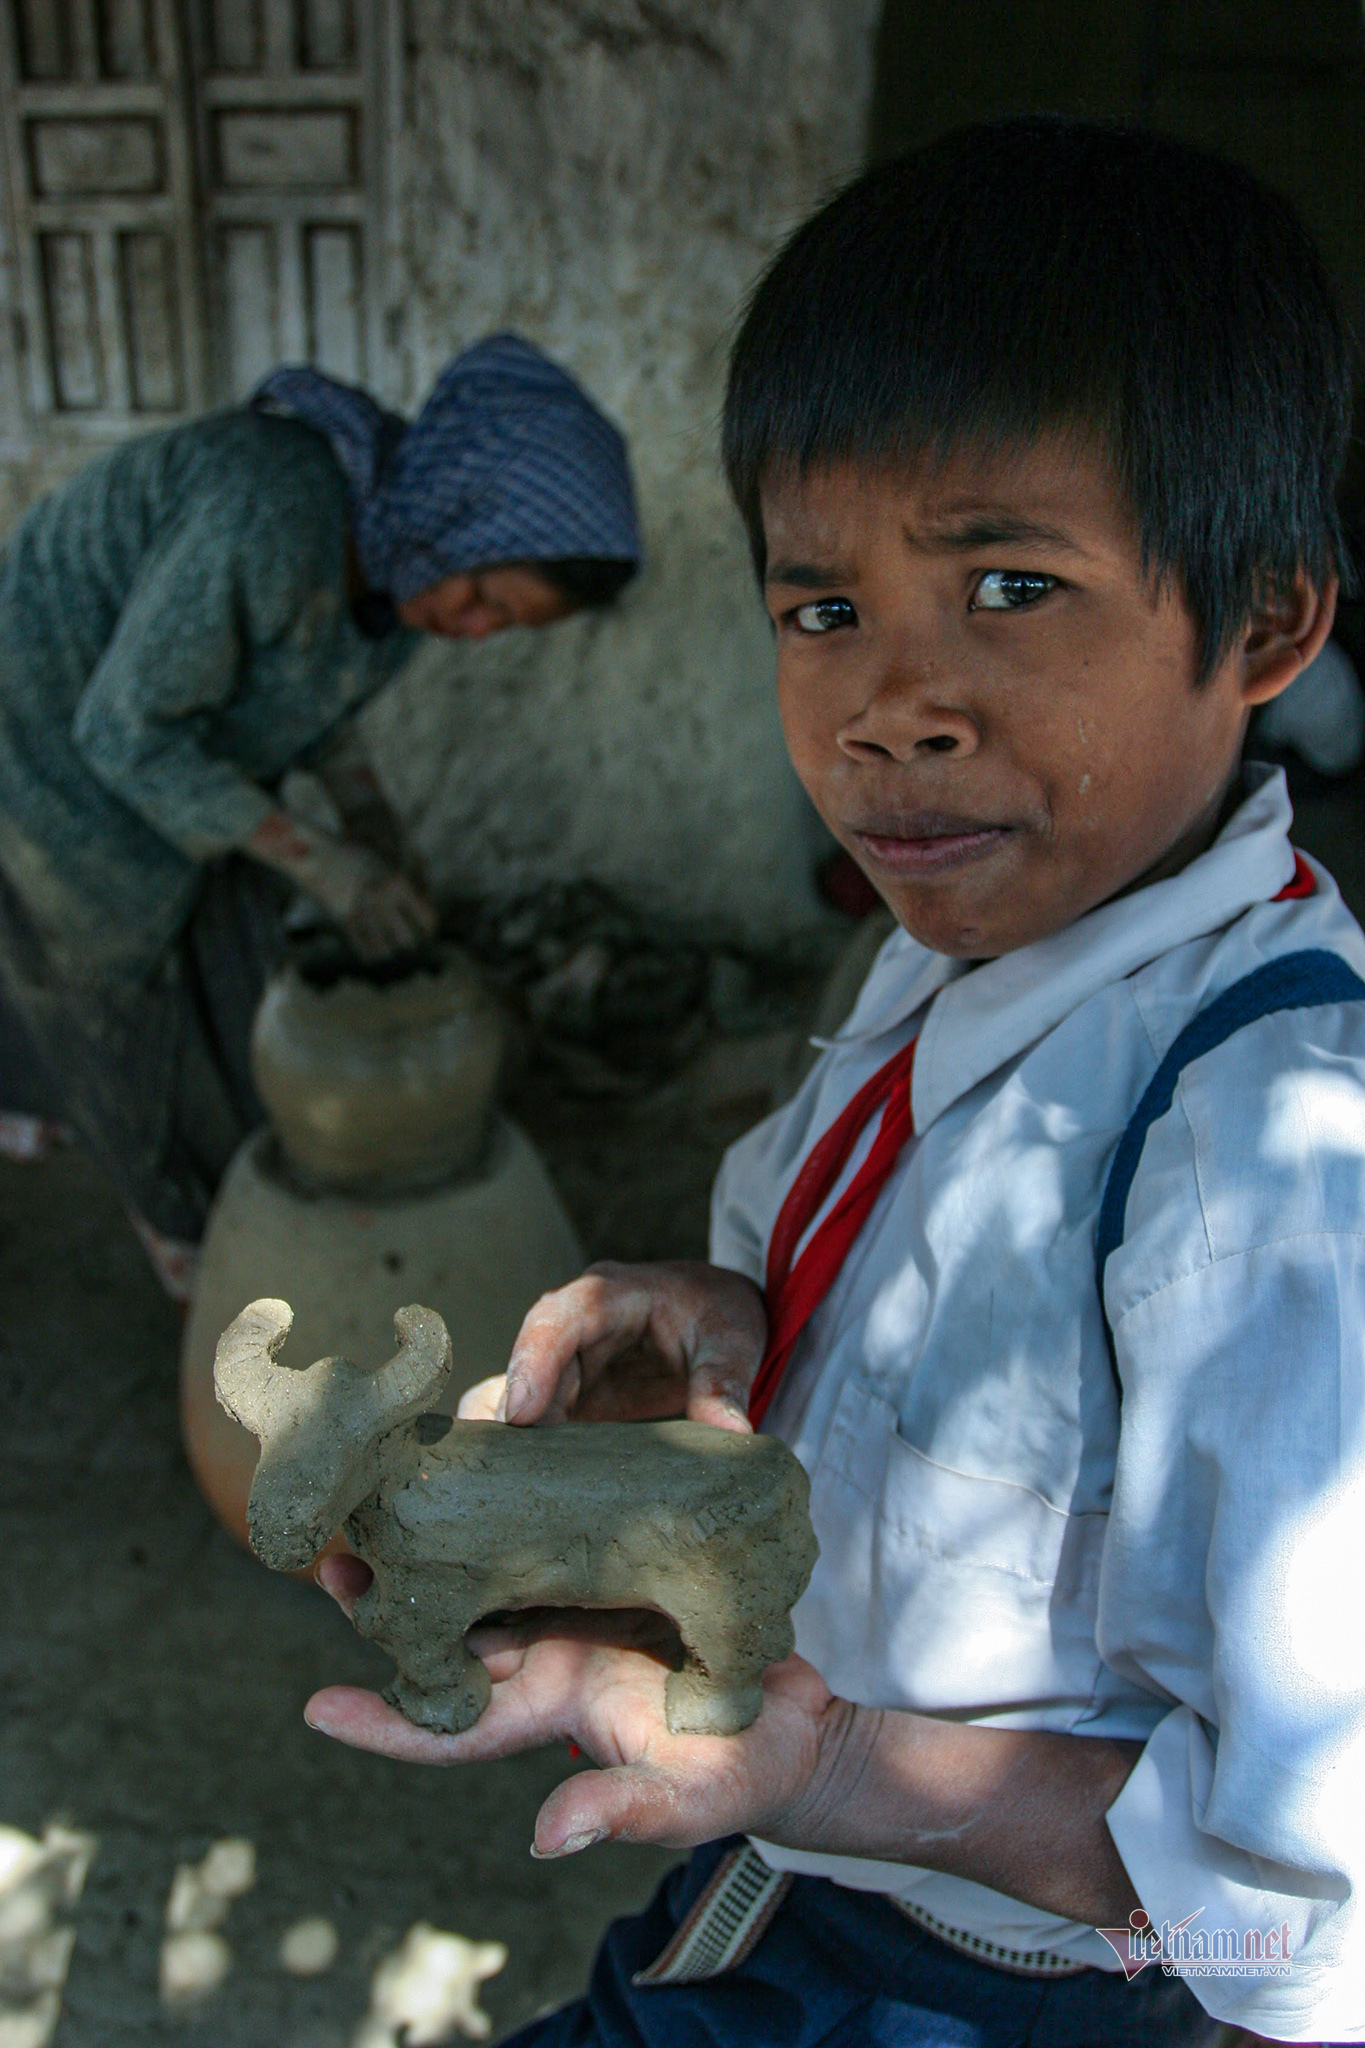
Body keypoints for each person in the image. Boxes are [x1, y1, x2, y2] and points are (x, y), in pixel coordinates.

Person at [305, 121, 1365, 2045]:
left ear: (1269, 623)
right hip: (789, 1870)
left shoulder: (1266, 1168)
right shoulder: (958, 950)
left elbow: (1318, 1921)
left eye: (1013, 585)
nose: (893, 699)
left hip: (1000, 1983)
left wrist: (826, 1773)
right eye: (821, 608)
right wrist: (731, 1313)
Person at [0, 335, 640, 1297]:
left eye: (500, 624)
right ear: (459, 515)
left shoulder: (402, 565)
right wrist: (327, 864)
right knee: (112, 993)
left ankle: (245, 1195)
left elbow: (310, 700)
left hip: (165, 742)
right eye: (481, 599)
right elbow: (126, 737)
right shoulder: (270, 508)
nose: (472, 627)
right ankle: (175, 1238)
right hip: (47, 738)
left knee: (240, 956)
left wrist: (373, 828)